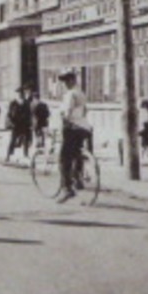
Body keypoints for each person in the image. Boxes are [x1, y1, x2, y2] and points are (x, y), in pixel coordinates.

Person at [56, 68, 91, 203]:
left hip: (71, 128)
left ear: (72, 80)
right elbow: (85, 110)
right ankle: (78, 179)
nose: (65, 83)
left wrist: (64, 122)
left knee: (63, 158)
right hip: (83, 127)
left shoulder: (70, 94)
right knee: (76, 153)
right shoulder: (81, 93)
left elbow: (67, 112)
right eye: (64, 81)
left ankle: (67, 189)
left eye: (66, 80)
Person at [5, 86, 33, 162]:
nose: (21, 94)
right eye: (20, 93)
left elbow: (29, 113)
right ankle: (8, 155)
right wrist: (10, 122)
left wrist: (30, 123)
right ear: (17, 94)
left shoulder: (26, 102)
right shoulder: (13, 103)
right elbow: (9, 114)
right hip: (16, 124)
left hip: (24, 124)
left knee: (26, 140)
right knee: (13, 139)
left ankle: (26, 154)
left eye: (22, 93)